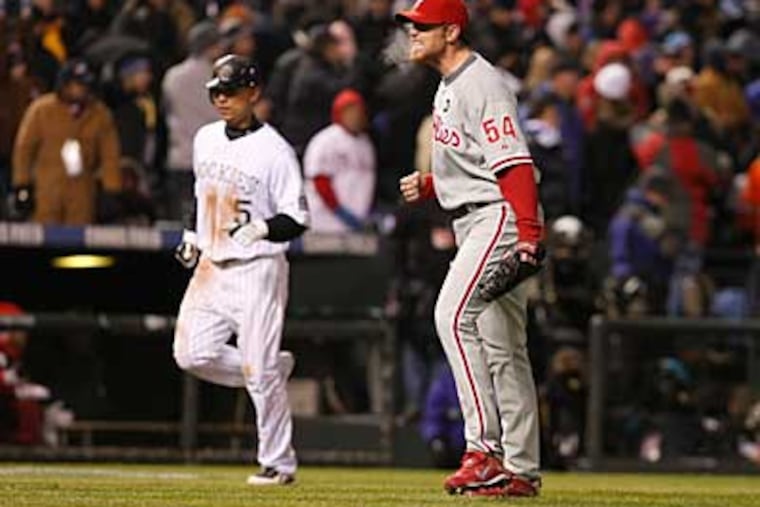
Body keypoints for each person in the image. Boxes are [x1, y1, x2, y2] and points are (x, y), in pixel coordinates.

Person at [396, 0, 543, 497]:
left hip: (499, 216)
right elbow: (481, 162)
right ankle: (521, 471)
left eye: (422, 26)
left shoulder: (482, 82)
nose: (412, 33)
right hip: (479, 212)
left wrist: (528, 234)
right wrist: (435, 185)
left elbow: (515, 164)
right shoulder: (448, 86)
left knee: (451, 315)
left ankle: (484, 451)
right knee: (504, 351)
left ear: (452, 31)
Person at [172, 54, 309, 486]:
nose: (222, 99)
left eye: (230, 91)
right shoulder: (206, 138)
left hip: (258, 269)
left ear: (254, 92)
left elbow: (299, 216)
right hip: (212, 267)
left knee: (259, 369)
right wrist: (193, 235)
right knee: (192, 354)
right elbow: (200, 195)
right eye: (217, 91)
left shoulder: (276, 151)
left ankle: (278, 464)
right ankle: (268, 368)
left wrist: (264, 228)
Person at [11, 58, 121, 224]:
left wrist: (111, 190)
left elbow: (110, 156)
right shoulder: (42, 110)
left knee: (78, 242)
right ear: (63, 84)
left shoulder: (100, 114)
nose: (80, 90)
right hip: (46, 190)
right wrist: (22, 185)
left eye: (84, 85)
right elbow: (24, 150)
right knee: (44, 239)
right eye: (75, 84)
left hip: (82, 192)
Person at [303, 88, 376, 233]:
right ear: (339, 112)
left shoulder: (366, 144)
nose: (355, 115)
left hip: (357, 223)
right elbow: (320, 180)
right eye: (350, 111)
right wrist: (339, 211)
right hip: (324, 222)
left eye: (358, 110)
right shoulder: (326, 140)